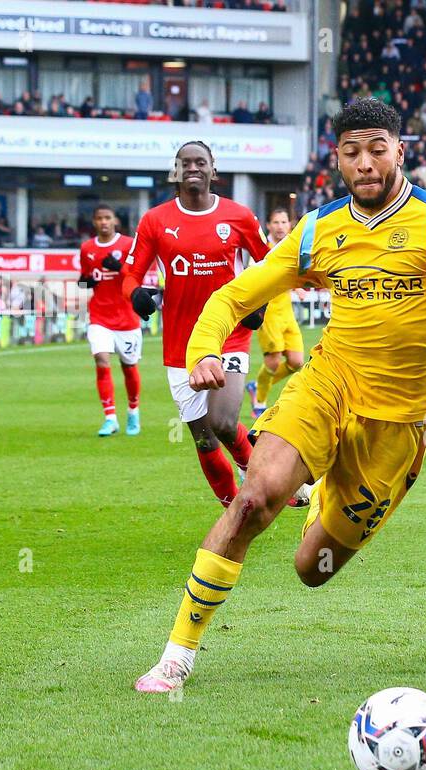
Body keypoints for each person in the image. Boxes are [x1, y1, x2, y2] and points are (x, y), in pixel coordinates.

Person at [133, 98, 426, 693]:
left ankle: (326, 500)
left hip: (397, 423)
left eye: (376, 148)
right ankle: (176, 656)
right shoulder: (318, 228)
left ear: (400, 151)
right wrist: (205, 352)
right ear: (338, 159)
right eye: (351, 152)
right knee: (254, 500)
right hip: (328, 383)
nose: (365, 162)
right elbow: (234, 297)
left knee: (310, 570)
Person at [121, 141, 268, 505]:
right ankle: (234, 508)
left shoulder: (240, 216)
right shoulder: (155, 220)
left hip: (229, 335)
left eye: (200, 162)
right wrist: (136, 295)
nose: (192, 168)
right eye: (185, 162)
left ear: (213, 170)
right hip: (179, 345)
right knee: (203, 438)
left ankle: (262, 481)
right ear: (176, 170)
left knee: (222, 420)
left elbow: (272, 264)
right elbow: (130, 274)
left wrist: (257, 304)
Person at [245, 206, 314, 507]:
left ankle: (254, 388)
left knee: (298, 362)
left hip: (288, 313)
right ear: (269, 226)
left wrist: (301, 286)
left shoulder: (295, 245)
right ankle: (259, 400)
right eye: (275, 221)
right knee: (273, 362)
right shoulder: (263, 250)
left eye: (285, 221)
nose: (281, 225)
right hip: (270, 313)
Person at [78, 203, 141, 436]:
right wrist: (85, 282)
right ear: (94, 222)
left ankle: (133, 411)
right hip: (99, 316)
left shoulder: (127, 244)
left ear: (115, 220)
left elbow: (136, 276)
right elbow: (84, 279)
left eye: (108, 218)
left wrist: (120, 268)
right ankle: (110, 418)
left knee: (129, 366)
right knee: (102, 361)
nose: (104, 222)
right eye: (99, 218)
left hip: (126, 318)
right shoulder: (86, 248)